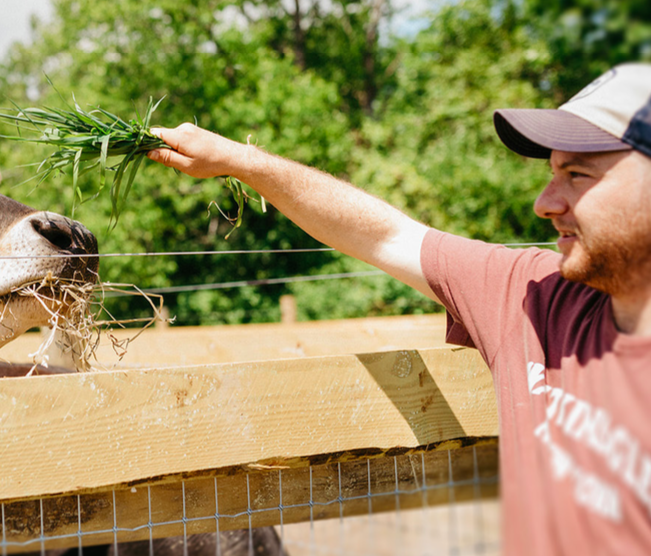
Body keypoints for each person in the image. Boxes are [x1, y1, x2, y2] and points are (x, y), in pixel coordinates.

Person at [147, 63, 651, 554]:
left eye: (578, 174)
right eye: (551, 173)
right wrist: (240, 160)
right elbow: (383, 233)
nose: (545, 202)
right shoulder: (534, 296)